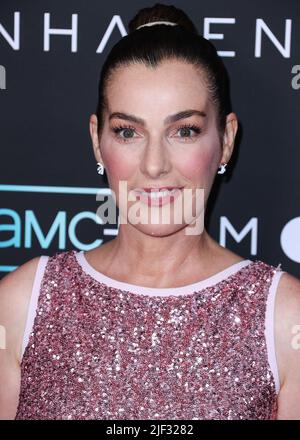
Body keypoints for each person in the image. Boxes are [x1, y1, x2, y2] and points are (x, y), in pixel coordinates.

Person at [0, 3, 300, 420]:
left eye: (184, 131)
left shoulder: (286, 319)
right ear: (96, 140)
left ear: (226, 140)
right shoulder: (20, 303)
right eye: (128, 132)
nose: (154, 164)